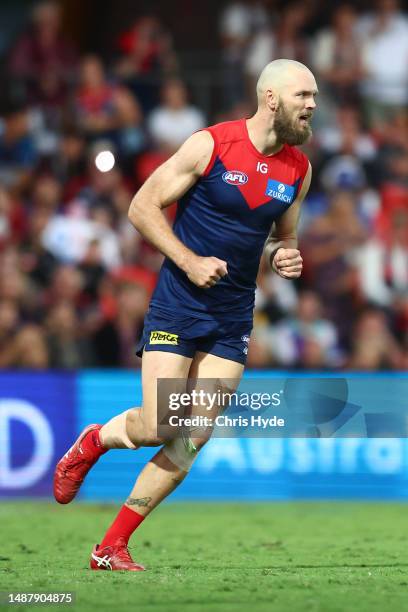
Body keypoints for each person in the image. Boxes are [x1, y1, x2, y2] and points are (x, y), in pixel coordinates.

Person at [54, 59, 317, 571]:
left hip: (234, 313)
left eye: (314, 97)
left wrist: (283, 256)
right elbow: (141, 206)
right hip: (180, 300)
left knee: (194, 434)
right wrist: (189, 261)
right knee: (159, 425)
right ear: (271, 99)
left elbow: (280, 240)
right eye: (303, 96)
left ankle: (111, 546)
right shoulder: (211, 145)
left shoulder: (299, 170)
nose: (312, 106)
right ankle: (94, 440)